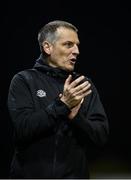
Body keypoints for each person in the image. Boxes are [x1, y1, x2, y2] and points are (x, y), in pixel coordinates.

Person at [7, 20, 109, 178]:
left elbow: (101, 137)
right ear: (47, 47)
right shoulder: (24, 80)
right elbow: (22, 129)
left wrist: (77, 118)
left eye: (77, 45)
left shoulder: (83, 85)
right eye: (68, 44)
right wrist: (62, 105)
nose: (76, 51)